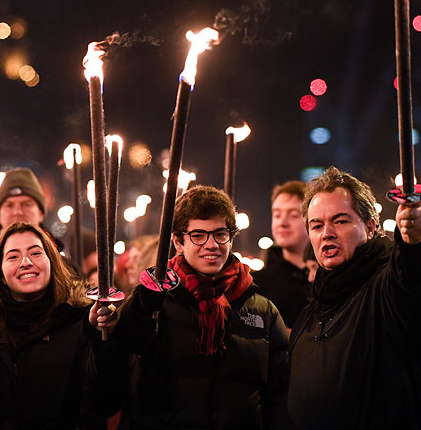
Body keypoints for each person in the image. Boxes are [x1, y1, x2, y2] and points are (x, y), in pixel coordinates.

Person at [114, 185, 290, 429]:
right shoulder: (154, 300)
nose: (211, 245)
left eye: (220, 234)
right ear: (177, 241)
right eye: (198, 235)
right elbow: (117, 370)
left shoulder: (262, 310)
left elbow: (281, 393)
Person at [0, 222, 122, 428]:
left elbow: (103, 403)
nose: (26, 262)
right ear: (1, 275)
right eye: (13, 256)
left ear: (52, 263)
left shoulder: (78, 321)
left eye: (36, 253)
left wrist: (101, 339)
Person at [288, 166, 421, 428]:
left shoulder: (387, 292)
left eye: (340, 221)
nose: (327, 232)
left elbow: (410, 275)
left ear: (371, 227)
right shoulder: (308, 316)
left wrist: (412, 239)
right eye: (317, 225)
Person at [0, 167, 63, 280]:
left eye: (26, 204)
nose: (17, 212)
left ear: (41, 213)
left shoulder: (67, 269)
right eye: (9, 205)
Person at [254, 181, 311, 328]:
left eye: (293, 215)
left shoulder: (327, 278)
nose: (282, 222)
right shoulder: (258, 284)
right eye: (277, 215)